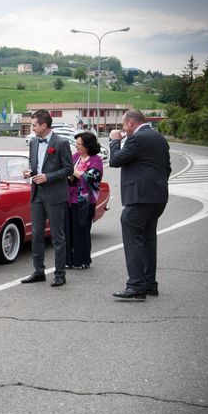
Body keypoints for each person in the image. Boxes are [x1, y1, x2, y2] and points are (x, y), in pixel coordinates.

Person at [109, 109, 171, 300]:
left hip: (140, 198)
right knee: (148, 239)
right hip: (158, 197)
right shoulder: (159, 138)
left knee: (133, 239)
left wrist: (115, 140)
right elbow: (167, 168)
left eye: (123, 125)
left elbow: (115, 160)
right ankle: (150, 284)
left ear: (130, 123)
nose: (123, 129)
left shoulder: (136, 138)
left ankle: (136, 285)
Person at [21, 109, 73, 287]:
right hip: (37, 194)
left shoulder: (61, 143)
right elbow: (33, 164)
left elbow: (68, 169)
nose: (32, 128)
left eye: (34, 125)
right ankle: (38, 271)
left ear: (44, 125)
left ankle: (60, 274)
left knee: (58, 236)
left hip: (55, 194)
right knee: (36, 234)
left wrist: (48, 177)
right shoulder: (34, 142)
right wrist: (30, 172)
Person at [65, 131, 104, 270]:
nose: (76, 146)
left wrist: (74, 172)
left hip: (85, 201)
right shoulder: (75, 156)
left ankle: (82, 260)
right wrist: (71, 173)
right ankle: (69, 260)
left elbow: (92, 177)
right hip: (70, 199)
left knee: (82, 231)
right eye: (76, 143)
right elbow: (67, 172)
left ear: (87, 145)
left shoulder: (96, 160)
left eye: (79, 144)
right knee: (68, 231)